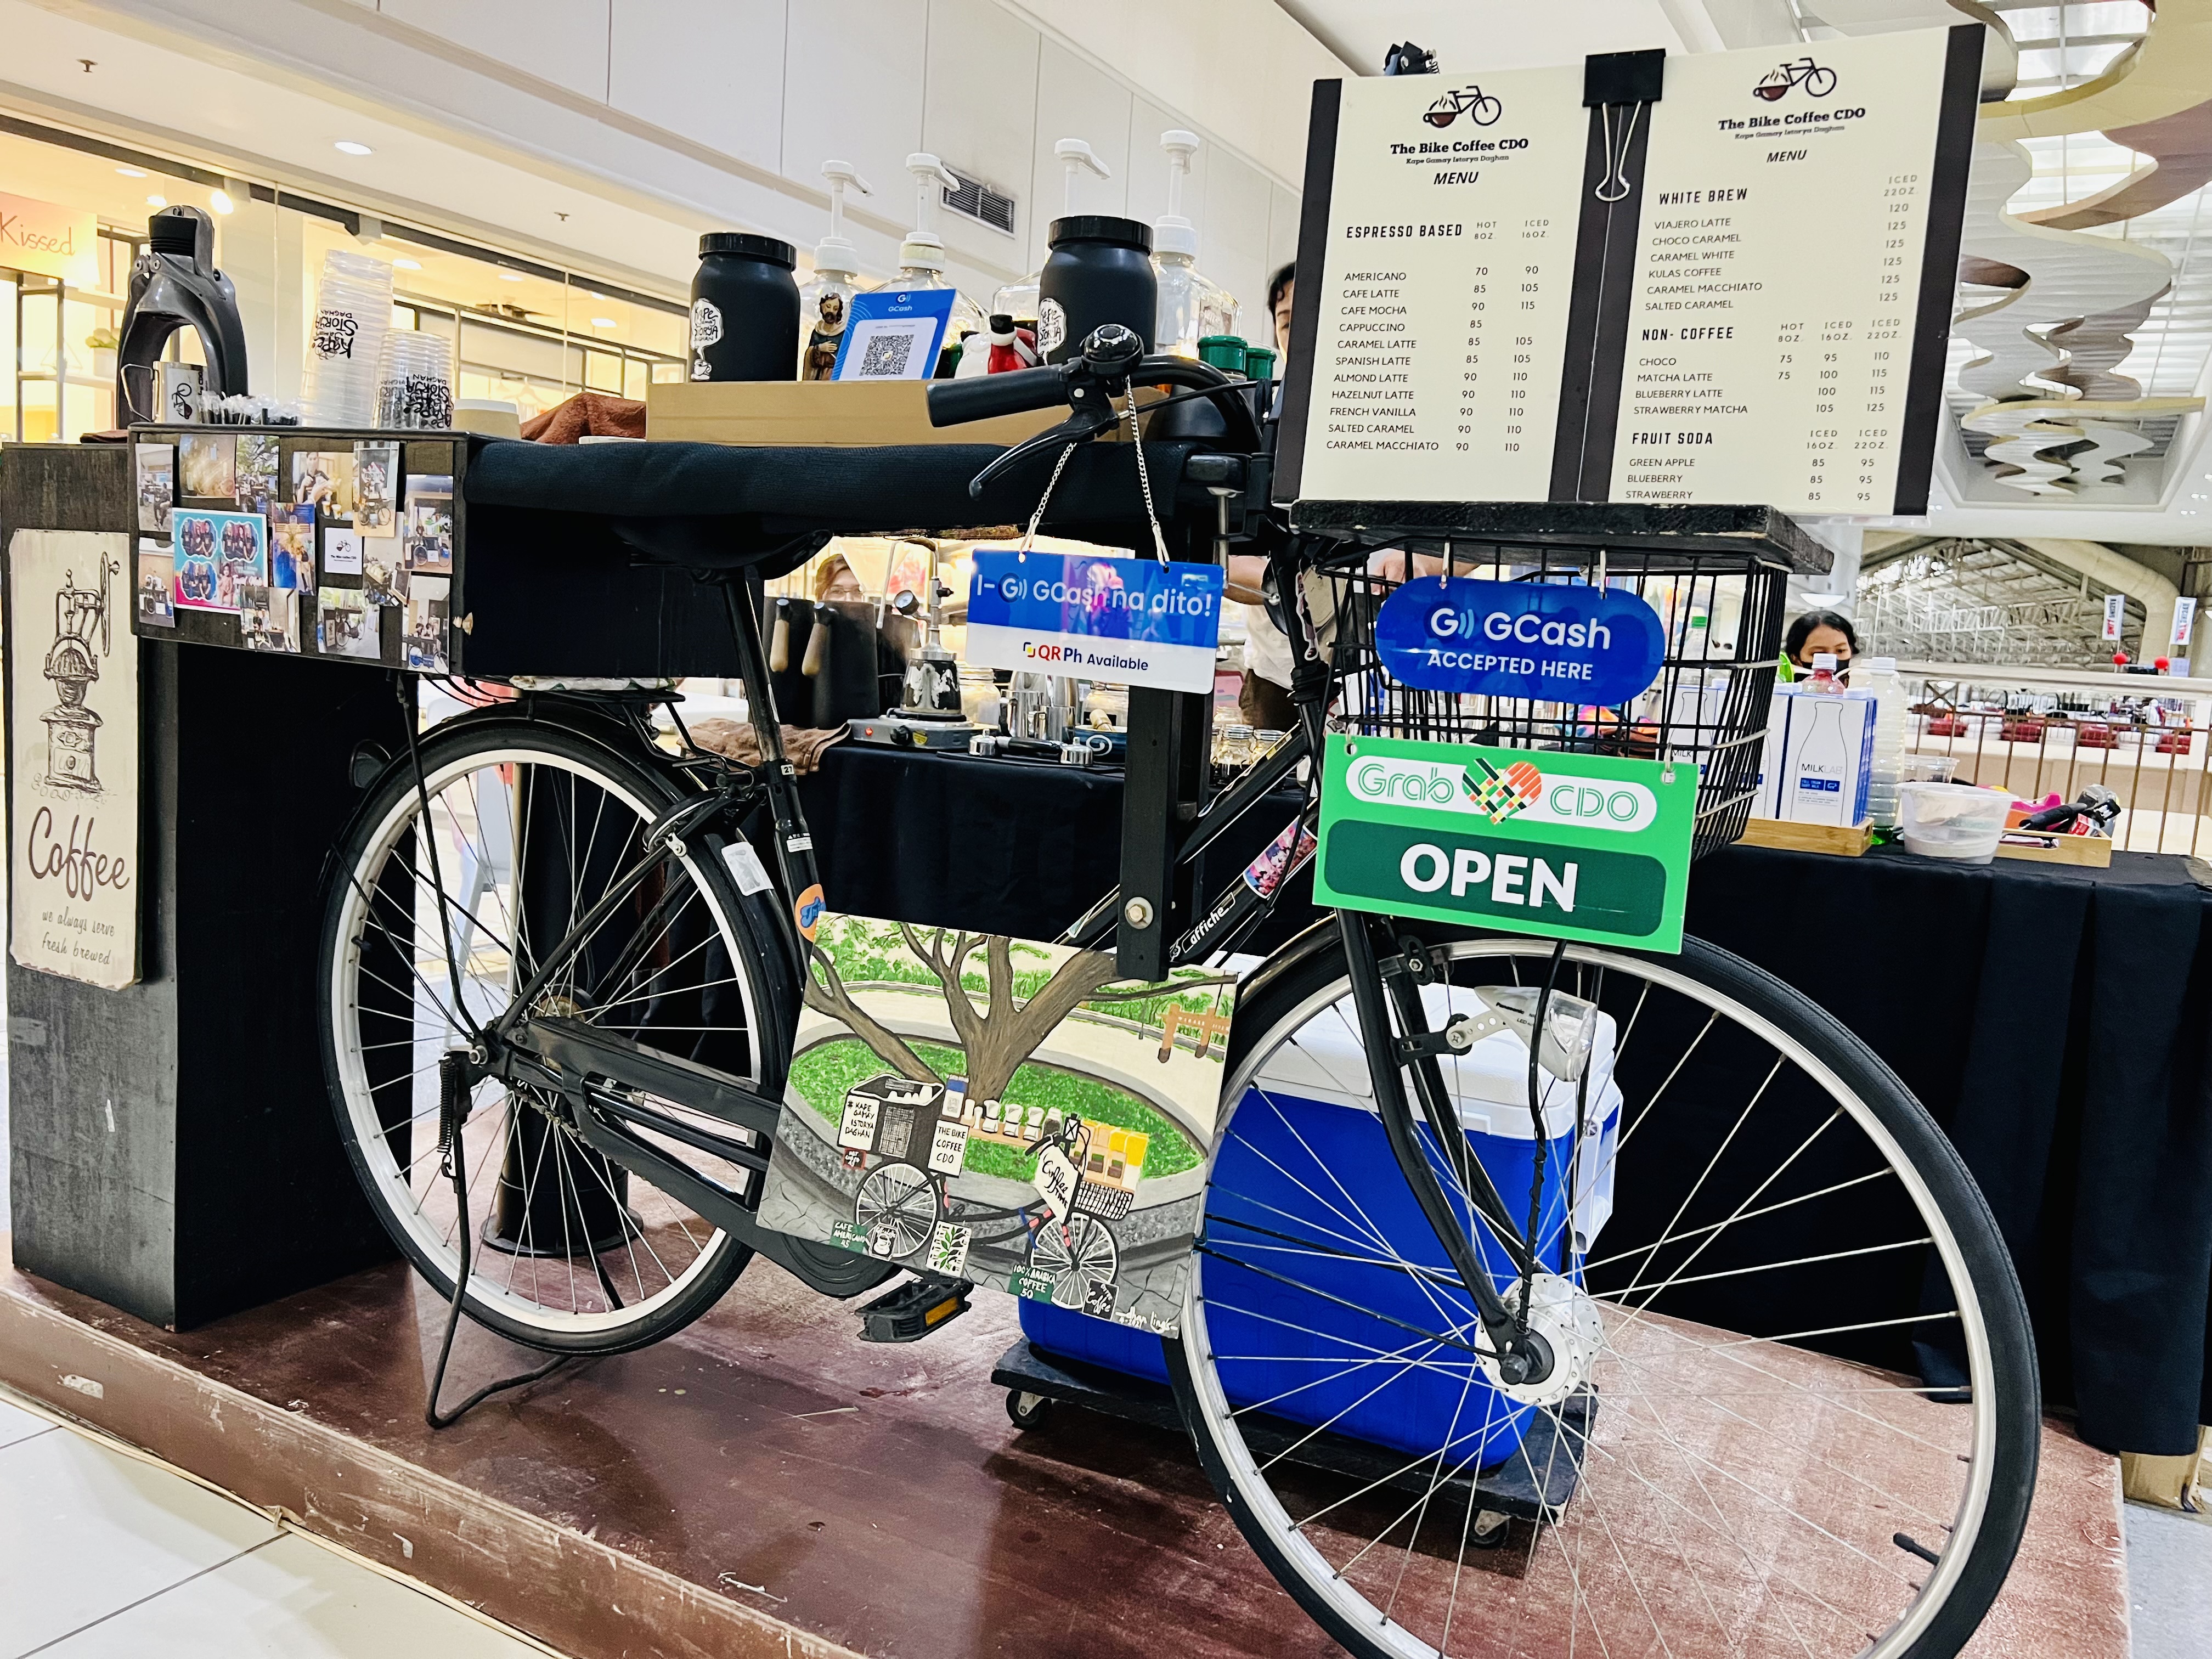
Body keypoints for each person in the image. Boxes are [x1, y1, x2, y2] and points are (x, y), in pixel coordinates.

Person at [1221, 262, 1303, 731]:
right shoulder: (1260, 414)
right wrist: (1285, 584)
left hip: (1372, 678)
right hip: (1275, 675)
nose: (1296, 331)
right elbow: (1225, 560)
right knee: (1272, 802)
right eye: (1287, 320)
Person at [1782, 609, 1860, 681]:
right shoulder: (1783, 694)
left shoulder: (1862, 686)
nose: (1832, 659)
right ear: (1796, 659)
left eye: (1840, 651)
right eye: (1819, 653)